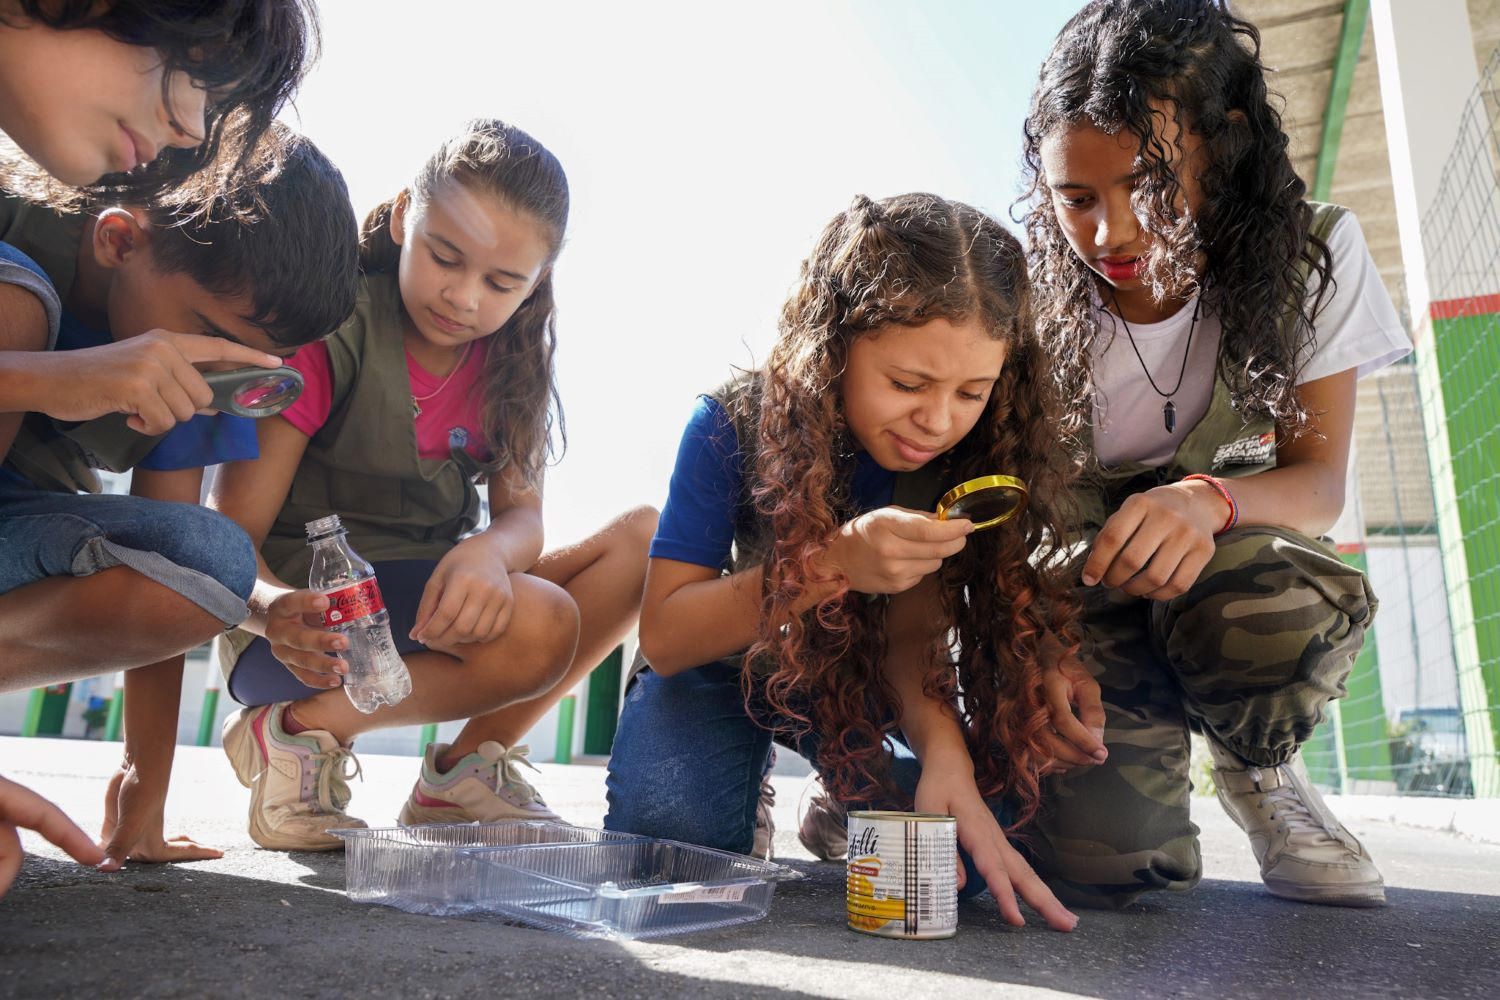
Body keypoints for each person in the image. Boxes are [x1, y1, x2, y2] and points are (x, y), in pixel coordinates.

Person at [604, 192, 1105, 932]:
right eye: (907, 385)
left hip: (858, 675)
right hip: (719, 665)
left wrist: (946, 755)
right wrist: (831, 564)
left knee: (954, 858)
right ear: (834, 347)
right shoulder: (727, 425)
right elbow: (668, 637)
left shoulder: (962, 453)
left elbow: (912, 635)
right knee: (671, 850)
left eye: (971, 391)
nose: (937, 421)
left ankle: (843, 793)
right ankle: (751, 784)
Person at [1019, 0, 1411, 909]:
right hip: (1079, 600)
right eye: (1077, 199)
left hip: (1222, 576)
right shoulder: (1023, 302)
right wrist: (1034, 638)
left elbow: (1318, 484)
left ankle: (1257, 765)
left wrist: (1208, 500)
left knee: (1272, 597)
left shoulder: (1316, 254)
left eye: (1149, 185)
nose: (1111, 234)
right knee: (1110, 863)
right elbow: (991, 511)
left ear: (1224, 144)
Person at [210, 119, 656, 852]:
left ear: (536, 282)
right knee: (542, 619)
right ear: (400, 216)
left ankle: (459, 775)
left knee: (640, 538)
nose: (464, 297)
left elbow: (524, 521)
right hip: (302, 634)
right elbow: (231, 537)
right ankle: (296, 732)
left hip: (421, 614)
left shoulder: (513, 370)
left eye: (501, 281)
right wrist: (272, 613)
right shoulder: (331, 332)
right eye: (445, 257)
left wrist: (488, 552)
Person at [0, 0, 323, 891]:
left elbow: (172, 548)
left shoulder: (200, 368)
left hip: (25, 531)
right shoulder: (33, 236)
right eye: (185, 72)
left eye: (209, 100)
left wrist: (146, 791)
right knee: (16, 296)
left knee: (212, 560)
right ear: (117, 238)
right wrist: (63, 378)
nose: (186, 122)